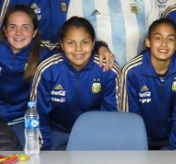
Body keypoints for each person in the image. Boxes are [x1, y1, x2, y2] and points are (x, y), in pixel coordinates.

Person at [31, 17, 119, 150]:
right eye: (71, 43)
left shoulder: (108, 70)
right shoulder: (47, 70)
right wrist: (43, 148)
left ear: (93, 44)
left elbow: (112, 115)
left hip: (95, 134)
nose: (78, 49)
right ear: (61, 44)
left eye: (85, 42)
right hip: (56, 133)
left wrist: (105, 144)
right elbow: (38, 115)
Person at [118, 17, 176, 150]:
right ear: (148, 42)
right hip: (141, 142)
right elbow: (129, 118)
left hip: (173, 141)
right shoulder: (131, 71)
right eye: (158, 38)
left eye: (170, 39)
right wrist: (137, 151)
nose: (164, 44)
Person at [0, 5, 53, 144]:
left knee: (21, 156)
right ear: (5, 30)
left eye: (25, 27)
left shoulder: (45, 52)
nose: (18, 33)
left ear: (34, 32)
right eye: (13, 27)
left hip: (20, 121)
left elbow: (71, 48)